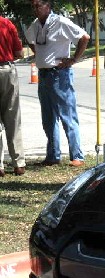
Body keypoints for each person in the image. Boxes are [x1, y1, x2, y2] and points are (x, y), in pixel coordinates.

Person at [25, 0, 90, 167]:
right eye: (33, 6)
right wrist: (41, 55)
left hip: (59, 75)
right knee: (48, 118)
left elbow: (84, 37)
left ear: (48, 6)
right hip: (44, 75)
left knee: (67, 115)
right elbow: (30, 39)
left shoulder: (60, 22)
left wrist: (74, 59)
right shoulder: (36, 25)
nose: (35, 9)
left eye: (38, 5)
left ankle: (77, 155)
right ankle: (53, 155)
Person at [0, 13, 26, 177]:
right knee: (13, 117)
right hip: (7, 71)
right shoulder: (7, 24)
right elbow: (19, 52)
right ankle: (18, 163)